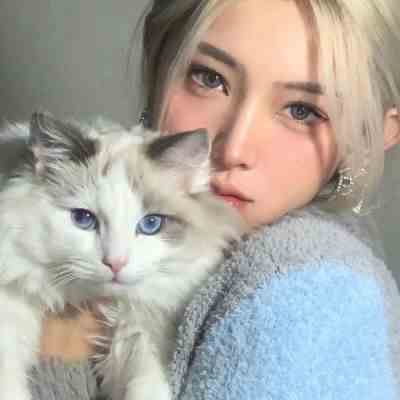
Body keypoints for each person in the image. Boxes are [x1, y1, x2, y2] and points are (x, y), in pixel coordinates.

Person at [32, 0, 400, 399]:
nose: (233, 148)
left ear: (374, 136)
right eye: (209, 79)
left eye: (301, 110)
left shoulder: (310, 294)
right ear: (158, 65)